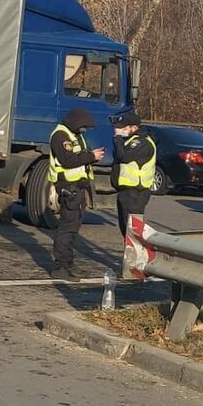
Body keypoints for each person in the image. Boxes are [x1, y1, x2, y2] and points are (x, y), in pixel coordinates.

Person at [48, 107, 106, 278]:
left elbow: (78, 156)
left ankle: (69, 263)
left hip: (78, 186)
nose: (85, 130)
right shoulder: (61, 136)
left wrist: (90, 156)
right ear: (76, 123)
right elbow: (67, 160)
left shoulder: (74, 135)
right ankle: (60, 267)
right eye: (84, 126)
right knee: (67, 228)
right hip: (68, 186)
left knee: (74, 227)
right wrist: (91, 157)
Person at [112, 112, 156, 237]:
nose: (119, 130)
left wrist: (118, 138)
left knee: (133, 229)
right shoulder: (130, 140)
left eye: (123, 127)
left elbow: (124, 156)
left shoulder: (142, 142)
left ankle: (137, 255)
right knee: (126, 227)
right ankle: (131, 254)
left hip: (136, 191)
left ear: (134, 128)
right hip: (127, 190)